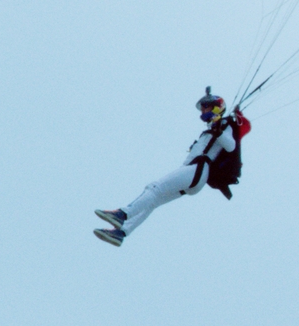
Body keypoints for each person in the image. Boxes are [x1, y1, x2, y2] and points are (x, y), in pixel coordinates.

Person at [94, 87, 245, 247]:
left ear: (216, 107)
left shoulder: (224, 124)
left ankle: (123, 214)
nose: (203, 110)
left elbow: (231, 146)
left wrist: (218, 130)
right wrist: (215, 128)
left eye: (206, 106)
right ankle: (121, 233)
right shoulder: (212, 128)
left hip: (197, 170)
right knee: (154, 199)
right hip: (194, 174)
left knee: (154, 188)